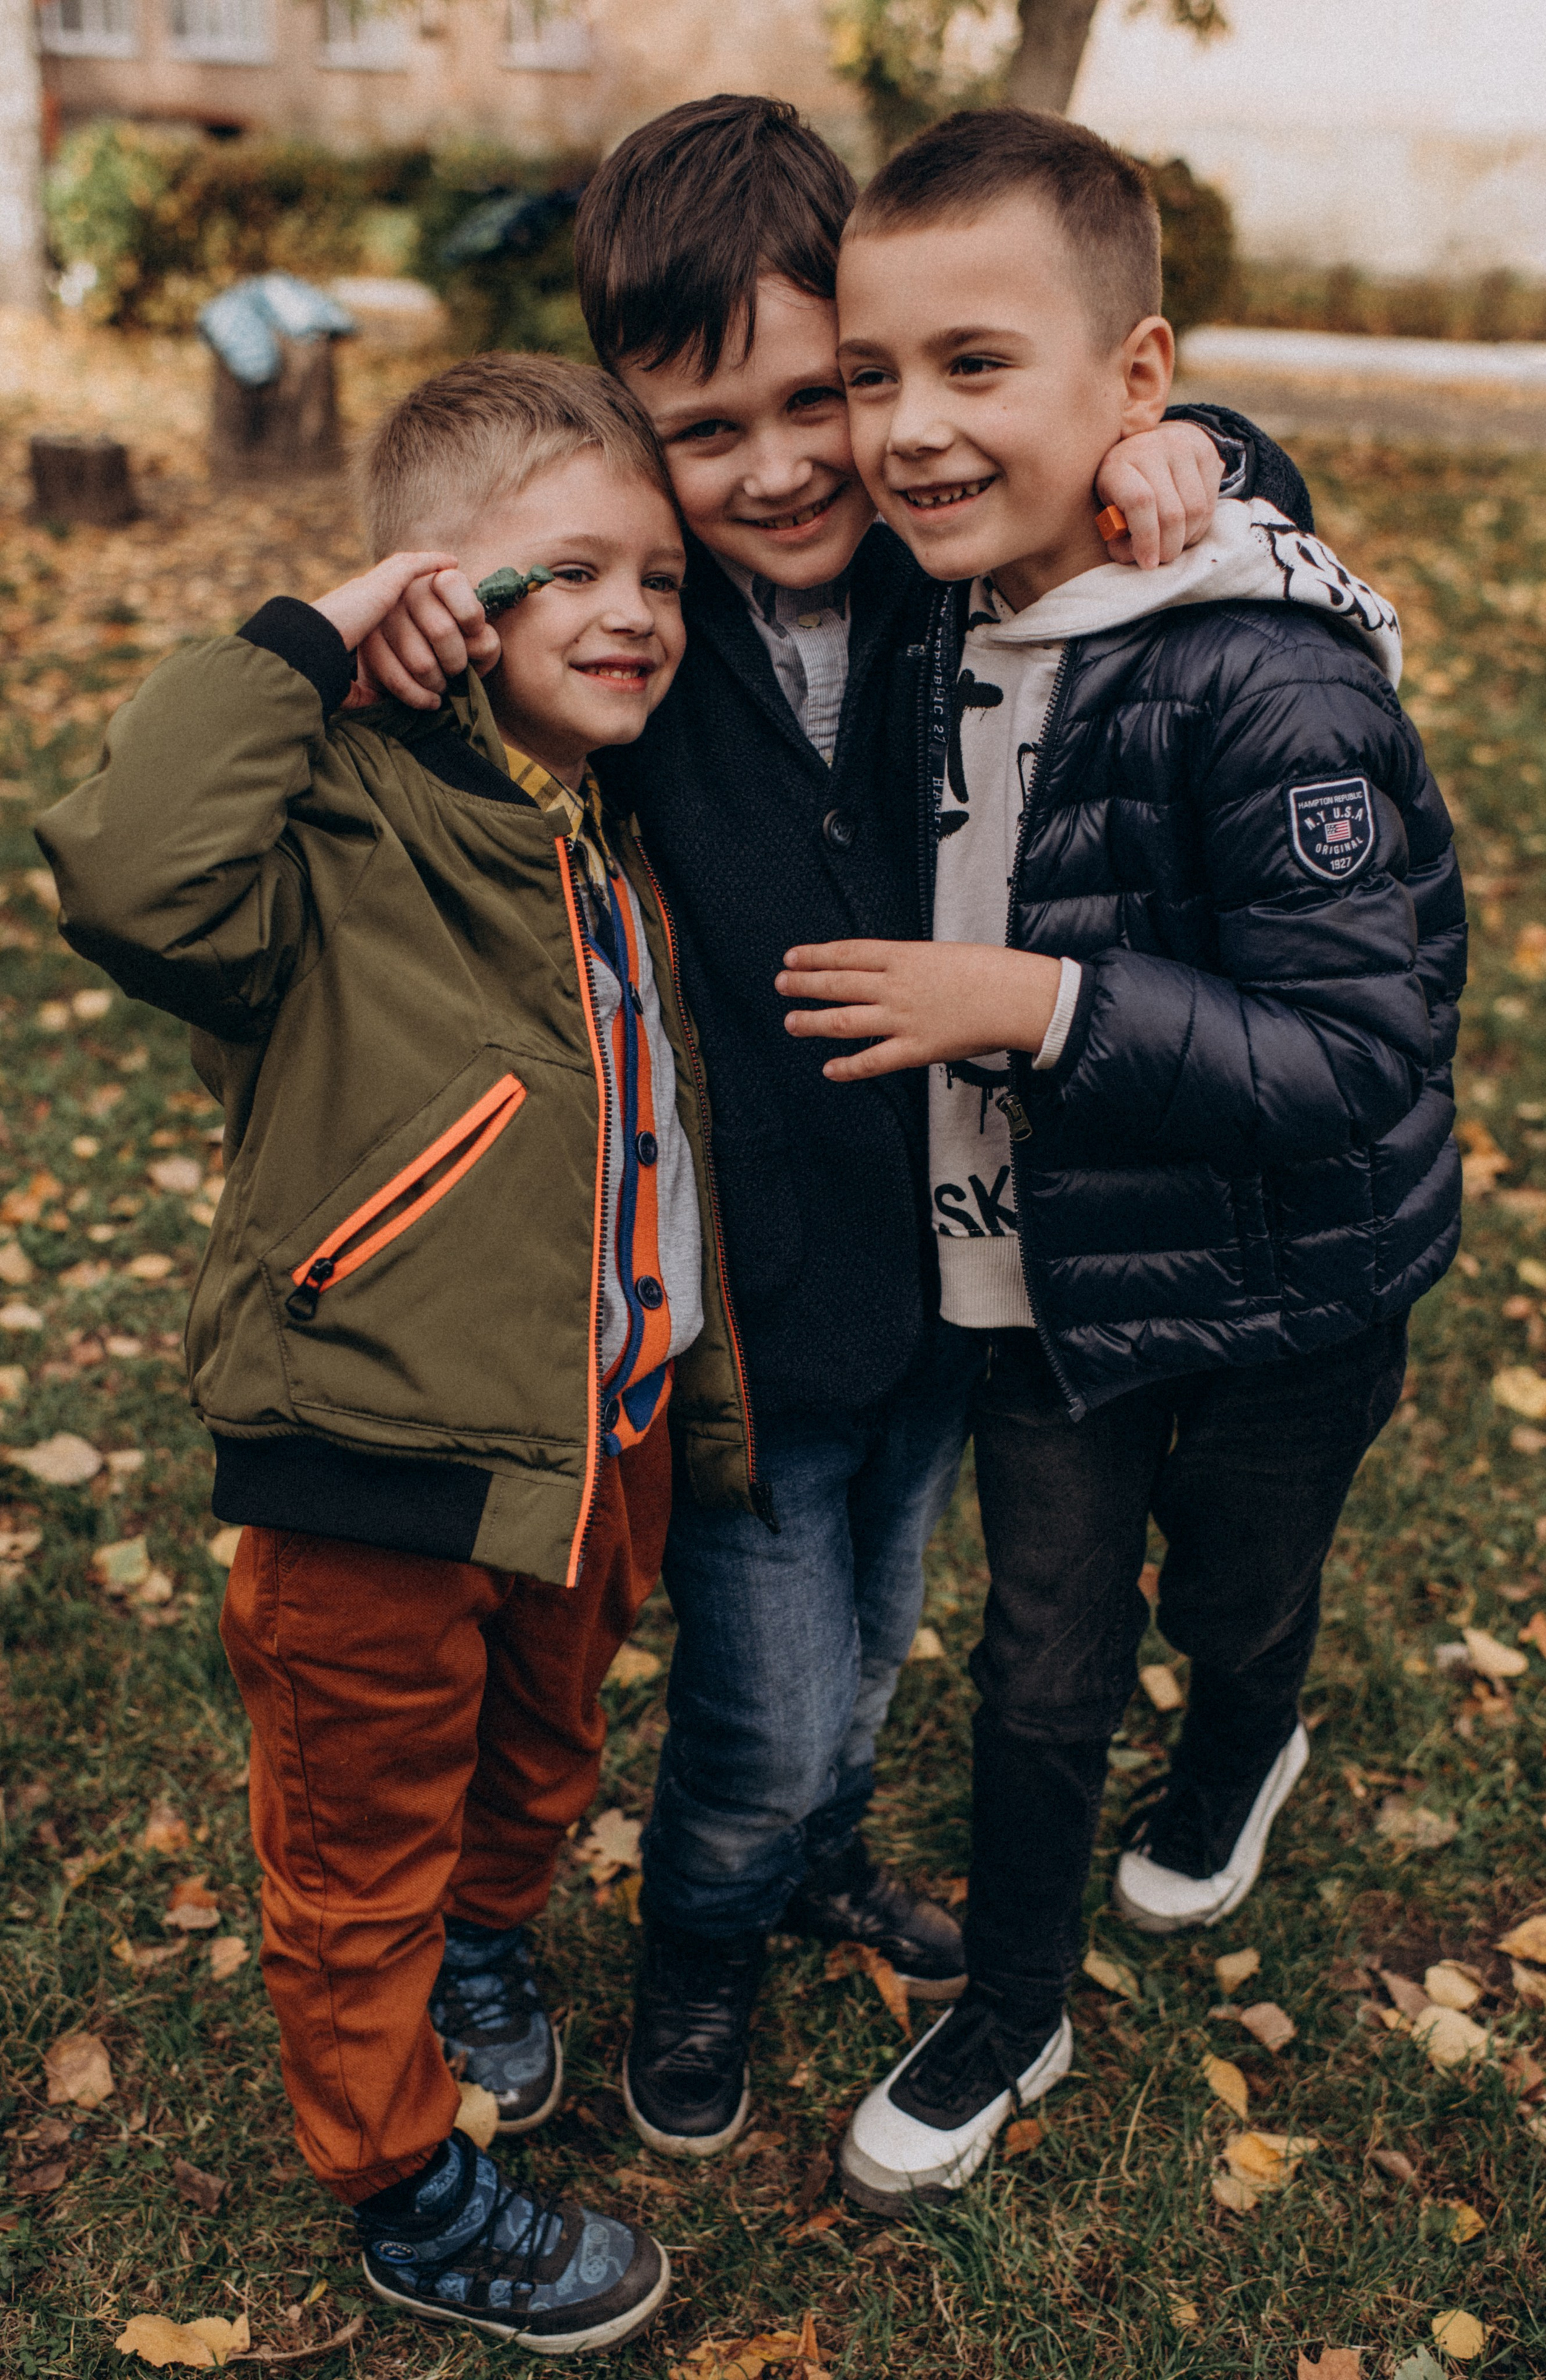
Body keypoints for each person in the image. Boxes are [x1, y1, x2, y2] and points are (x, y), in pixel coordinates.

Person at [364, 92, 1320, 2162]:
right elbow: (419, 722)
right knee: (768, 1699)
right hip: (750, 1320)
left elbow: (1116, 444)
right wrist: (416, 619)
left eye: (831, 398)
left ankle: (804, 1866)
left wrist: (1212, 452)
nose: (791, 466)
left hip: (956, 1285)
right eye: (709, 431)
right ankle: (704, 1944)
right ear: (632, 434)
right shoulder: (617, 652)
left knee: (875, 1656)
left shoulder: (937, 575)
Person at [771, 106, 1464, 2211]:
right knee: (1042, 1650)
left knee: (1239, 1601)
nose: (904, 431)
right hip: (1044, 1287)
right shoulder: (929, 605)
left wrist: (1038, 1010)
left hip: (1289, 1290)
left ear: (1130, 387)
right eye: (872, 375)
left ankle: (1251, 1738)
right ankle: (1018, 1994)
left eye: (973, 367)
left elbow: (1361, 1046)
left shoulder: (1268, 681)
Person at [33, 354, 755, 2352]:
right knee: (358, 1838)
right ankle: (399, 2177)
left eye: (663, 578)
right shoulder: (333, 822)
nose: (634, 612)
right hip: (367, 1451)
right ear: (442, 594)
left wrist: (686, 1396)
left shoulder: (606, 834)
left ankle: (491, 1942)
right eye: (574, 573)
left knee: (540, 1751)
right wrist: (310, 637)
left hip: (584, 1437)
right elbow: (125, 862)